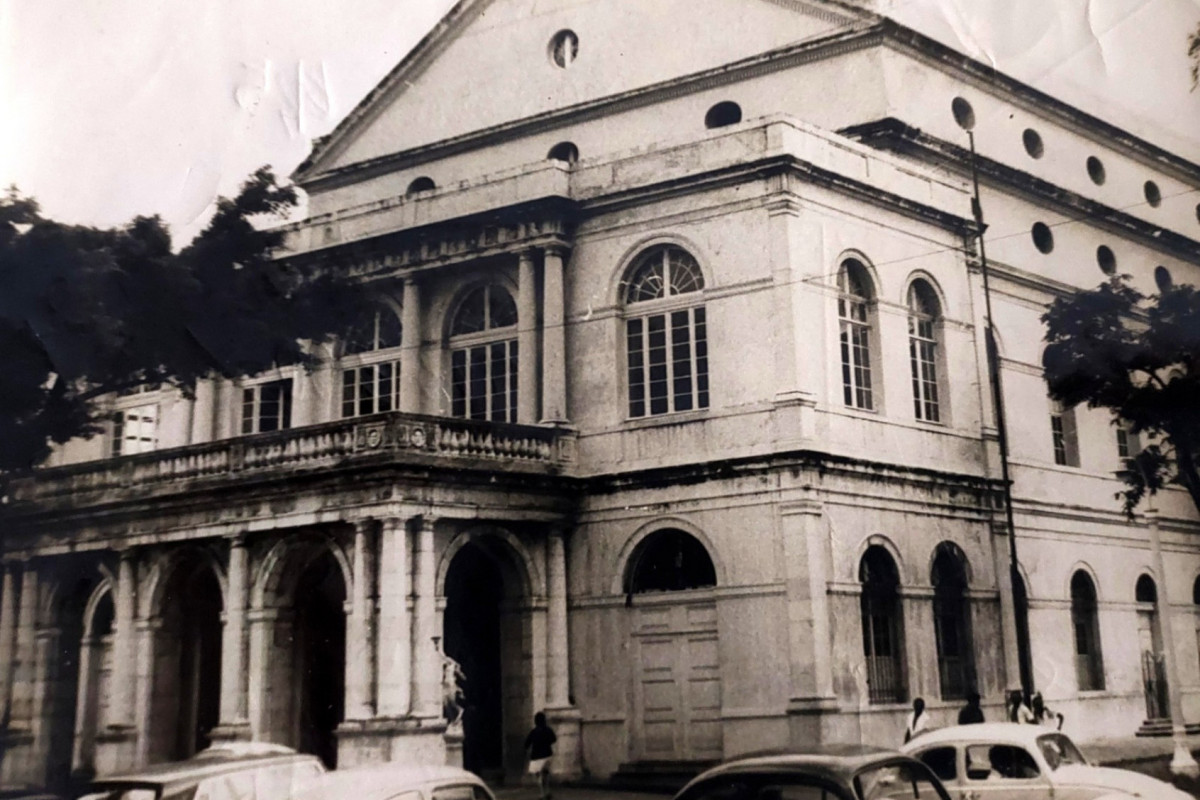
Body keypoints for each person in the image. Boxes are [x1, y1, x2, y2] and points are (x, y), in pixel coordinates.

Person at [525, 711, 558, 800]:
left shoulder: (534, 732)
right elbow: (554, 739)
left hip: (536, 757)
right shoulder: (548, 730)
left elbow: (527, 743)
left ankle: (543, 793)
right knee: (545, 774)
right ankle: (547, 791)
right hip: (548, 755)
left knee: (538, 776)